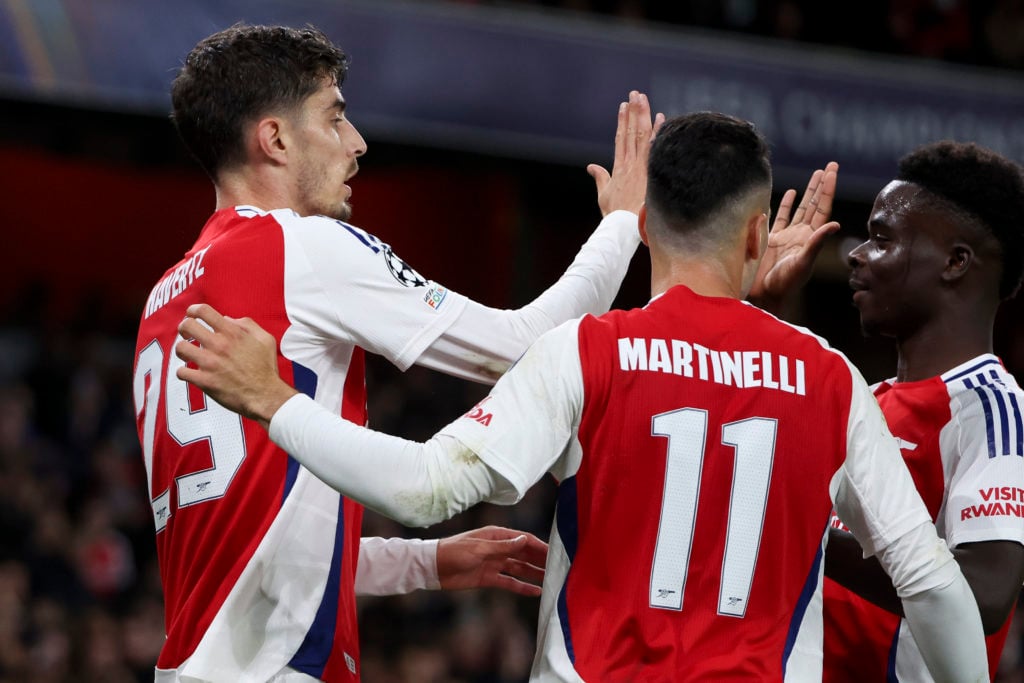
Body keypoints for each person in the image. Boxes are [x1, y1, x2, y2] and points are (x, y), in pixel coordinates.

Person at [173, 112, 989, 682]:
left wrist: (278, 400)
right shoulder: (828, 377)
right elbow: (933, 585)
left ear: (649, 226)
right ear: (753, 236)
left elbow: (424, 489)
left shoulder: (589, 351)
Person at [132, 23, 662, 683]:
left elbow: (252, 548)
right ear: (274, 139)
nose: (356, 144)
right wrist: (622, 225)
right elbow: (523, 346)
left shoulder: (163, 302)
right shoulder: (300, 247)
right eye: (335, 117)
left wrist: (425, 563)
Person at [804, 141, 1023, 682]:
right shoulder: (864, 400)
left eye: (882, 239)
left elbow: (986, 592)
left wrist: (805, 536)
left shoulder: (993, 407)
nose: (856, 254)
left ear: (955, 262)